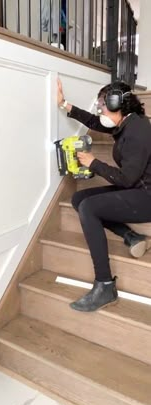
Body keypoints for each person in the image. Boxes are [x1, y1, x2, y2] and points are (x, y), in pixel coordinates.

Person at [57, 78, 151, 312]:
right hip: (136, 188)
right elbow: (94, 122)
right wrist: (64, 104)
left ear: (118, 102)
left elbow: (126, 179)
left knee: (90, 208)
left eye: (102, 105)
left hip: (146, 196)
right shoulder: (126, 123)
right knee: (79, 199)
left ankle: (105, 285)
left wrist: (94, 163)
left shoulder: (138, 131)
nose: (100, 110)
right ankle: (131, 237)